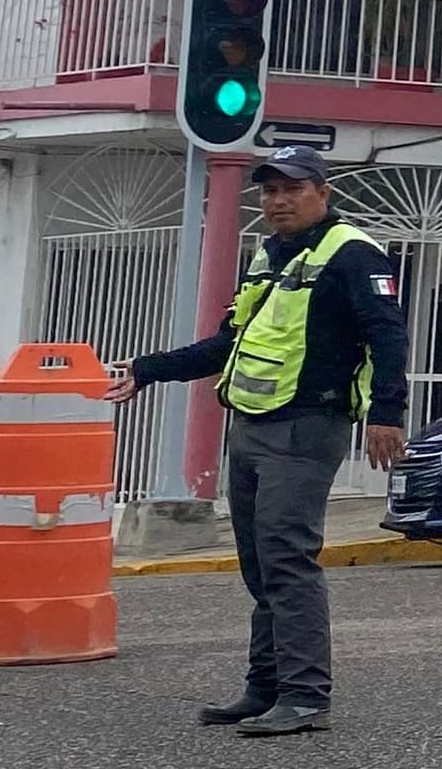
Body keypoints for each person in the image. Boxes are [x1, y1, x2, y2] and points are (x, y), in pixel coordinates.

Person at [109, 145, 408, 737]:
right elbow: (229, 341)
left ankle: (304, 696)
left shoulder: (352, 255)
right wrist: (148, 369)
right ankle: (265, 686)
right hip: (249, 425)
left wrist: (387, 413)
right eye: (269, 191)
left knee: (286, 559)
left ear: (324, 193)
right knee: (258, 564)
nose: (277, 201)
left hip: (306, 427)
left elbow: (388, 335)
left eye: (292, 189)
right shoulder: (272, 254)